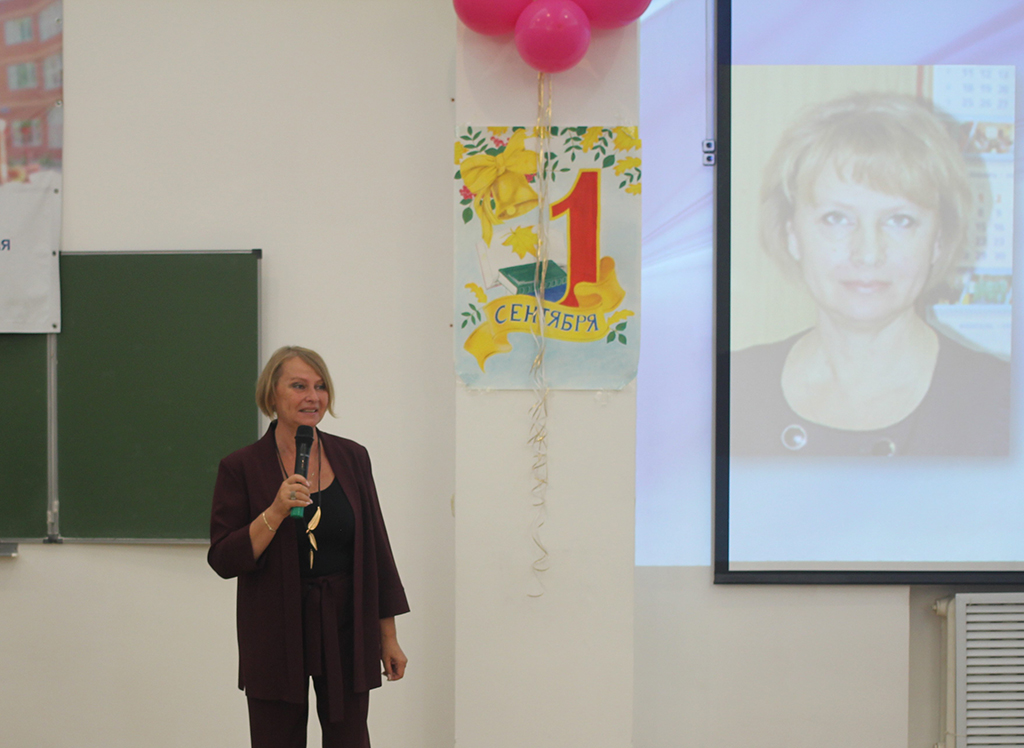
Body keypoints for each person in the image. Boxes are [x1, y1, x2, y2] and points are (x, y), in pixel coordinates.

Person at [731, 93, 1010, 456]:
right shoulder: (730, 388)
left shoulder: (1005, 405)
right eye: (836, 218)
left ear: (938, 241)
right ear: (792, 235)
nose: (868, 253)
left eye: (900, 220)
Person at [209, 346, 409, 747]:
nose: (312, 397)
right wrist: (275, 511)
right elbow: (224, 558)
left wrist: (387, 636)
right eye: (299, 386)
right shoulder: (241, 466)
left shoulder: (352, 457)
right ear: (272, 394)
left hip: (345, 621)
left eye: (320, 387)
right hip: (274, 625)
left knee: (349, 739)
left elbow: (376, 549)